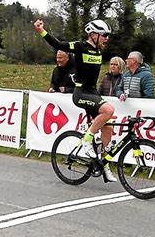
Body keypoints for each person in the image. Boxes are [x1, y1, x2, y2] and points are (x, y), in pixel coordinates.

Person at [34, 18, 117, 182]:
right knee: (109, 110)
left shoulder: (99, 51)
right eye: (104, 35)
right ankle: (86, 141)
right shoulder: (80, 47)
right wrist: (41, 31)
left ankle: (103, 163)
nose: (107, 38)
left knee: (108, 130)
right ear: (93, 34)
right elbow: (59, 45)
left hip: (93, 92)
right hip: (81, 93)